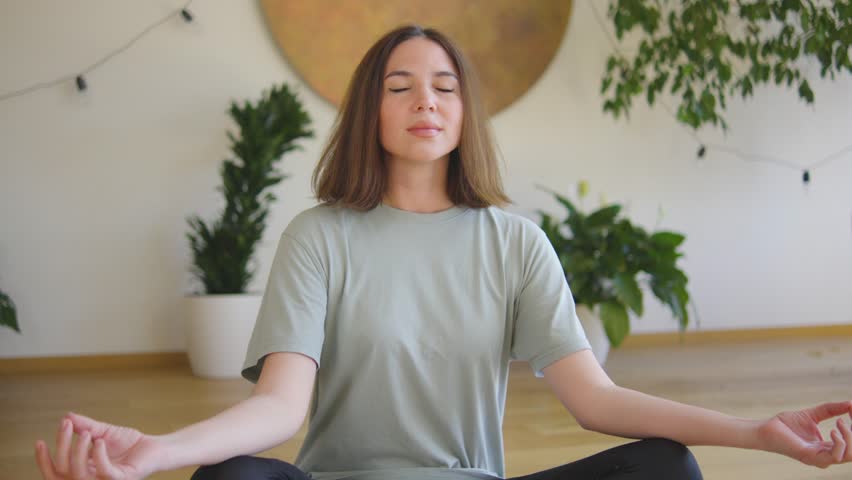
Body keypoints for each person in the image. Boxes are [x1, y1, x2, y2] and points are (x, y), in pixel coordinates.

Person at [35, 24, 851, 480]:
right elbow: (280, 409)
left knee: (666, 470)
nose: (424, 99)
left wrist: (756, 430)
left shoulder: (516, 242)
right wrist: (159, 452)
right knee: (233, 479)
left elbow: (596, 402)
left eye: (444, 86)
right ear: (371, 112)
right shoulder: (319, 236)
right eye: (400, 86)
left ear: (463, 115)